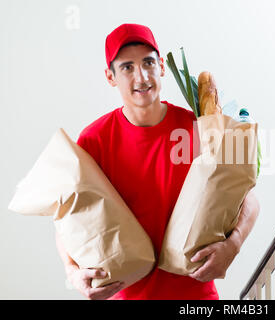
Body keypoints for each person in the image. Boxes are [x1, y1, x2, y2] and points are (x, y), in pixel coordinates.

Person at [55, 23, 260, 300]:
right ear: (110, 76)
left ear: (162, 66)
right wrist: (73, 273)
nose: (141, 77)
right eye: (127, 67)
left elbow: (248, 198)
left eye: (148, 63)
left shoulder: (198, 128)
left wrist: (233, 245)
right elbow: (66, 219)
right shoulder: (95, 141)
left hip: (195, 297)